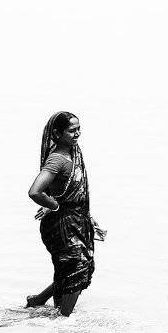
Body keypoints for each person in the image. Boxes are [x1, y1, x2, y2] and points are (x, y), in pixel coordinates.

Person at [25, 111, 106, 315]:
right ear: (57, 134)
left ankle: (38, 300)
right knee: (77, 267)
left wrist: (88, 218)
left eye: (79, 129)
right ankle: (63, 319)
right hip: (62, 224)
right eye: (71, 130)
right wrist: (53, 205)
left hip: (77, 219)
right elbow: (35, 192)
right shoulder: (57, 160)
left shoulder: (74, 152)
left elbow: (72, 193)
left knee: (74, 267)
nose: (77, 134)